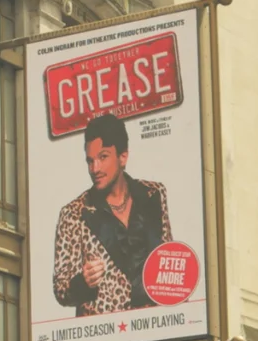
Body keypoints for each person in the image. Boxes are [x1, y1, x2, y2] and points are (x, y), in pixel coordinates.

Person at [51, 113, 173, 317]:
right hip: (103, 337)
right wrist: (83, 281)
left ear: (123, 157)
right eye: (90, 161)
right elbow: (61, 289)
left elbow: (167, 259)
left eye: (103, 157)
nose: (95, 168)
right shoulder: (74, 213)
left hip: (152, 330)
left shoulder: (154, 194)